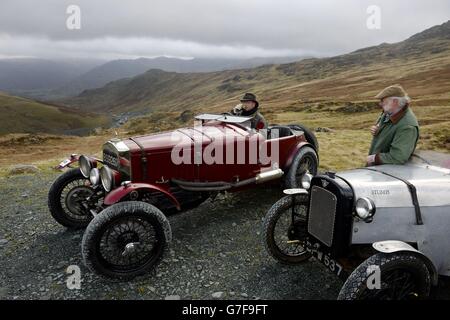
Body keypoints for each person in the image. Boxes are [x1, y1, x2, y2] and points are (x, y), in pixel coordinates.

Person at [367, 84, 419, 166]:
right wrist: (378, 130)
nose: (380, 104)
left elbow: (397, 157)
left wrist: (372, 158)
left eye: (383, 100)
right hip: (378, 170)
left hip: (388, 175)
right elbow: (388, 129)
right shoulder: (389, 113)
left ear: (395, 102)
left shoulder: (407, 126)